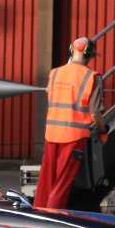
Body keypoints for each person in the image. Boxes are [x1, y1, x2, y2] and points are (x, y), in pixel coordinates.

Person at [35, 36, 102, 210]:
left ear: (72, 50)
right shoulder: (91, 77)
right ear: (89, 53)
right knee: (61, 183)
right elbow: (95, 113)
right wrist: (103, 130)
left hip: (52, 135)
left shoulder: (55, 73)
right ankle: (53, 218)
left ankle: (38, 214)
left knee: (45, 181)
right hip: (74, 137)